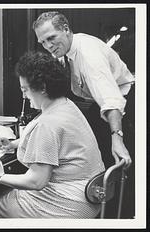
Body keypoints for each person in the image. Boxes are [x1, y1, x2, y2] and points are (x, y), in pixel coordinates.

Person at [32, 11, 135, 218]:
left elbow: (111, 99)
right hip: (96, 105)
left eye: (51, 38)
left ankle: (122, 216)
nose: (48, 46)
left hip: (125, 107)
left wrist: (118, 137)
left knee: (119, 167)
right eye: (42, 42)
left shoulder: (88, 55)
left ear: (66, 29)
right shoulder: (61, 52)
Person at [0, 51, 105, 218]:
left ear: (42, 88)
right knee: (7, 194)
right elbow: (59, 141)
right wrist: (13, 144)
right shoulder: (66, 105)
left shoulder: (47, 124)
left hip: (69, 204)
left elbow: (36, 181)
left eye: (25, 89)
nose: (24, 96)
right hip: (90, 196)